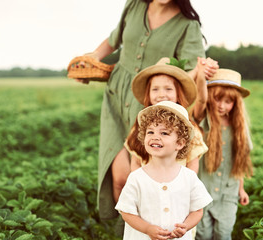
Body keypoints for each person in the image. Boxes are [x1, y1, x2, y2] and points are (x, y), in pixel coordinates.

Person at [74, 0, 216, 221]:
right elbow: (114, 39)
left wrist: (201, 70)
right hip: (116, 96)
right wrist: (93, 56)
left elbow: (189, 72)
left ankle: (151, 228)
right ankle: (124, 231)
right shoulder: (134, 5)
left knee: (134, 175)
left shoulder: (188, 24)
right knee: (118, 177)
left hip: (151, 104)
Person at [115, 101, 213, 239]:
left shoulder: (188, 177)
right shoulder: (137, 178)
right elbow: (127, 212)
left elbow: (197, 210)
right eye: (150, 132)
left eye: (164, 133)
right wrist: (147, 229)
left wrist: (186, 226)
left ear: (179, 143)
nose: (155, 136)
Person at [125, 57, 217, 173]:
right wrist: (141, 183)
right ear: (148, 94)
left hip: (177, 188)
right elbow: (136, 162)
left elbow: (192, 166)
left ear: (178, 94)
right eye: (155, 89)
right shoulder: (141, 126)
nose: (161, 94)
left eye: (168, 89)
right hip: (148, 188)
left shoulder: (188, 128)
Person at [192, 68, 254, 240]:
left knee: (223, 233)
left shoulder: (239, 128)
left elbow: (240, 161)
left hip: (229, 192)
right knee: (202, 234)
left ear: (236, 103)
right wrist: (201, 76)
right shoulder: (202, 121)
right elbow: (200, 99)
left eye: (228, 101)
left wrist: (241, 189)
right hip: (203, 191)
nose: (222, 105)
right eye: (218, 99)